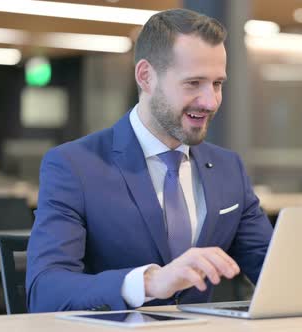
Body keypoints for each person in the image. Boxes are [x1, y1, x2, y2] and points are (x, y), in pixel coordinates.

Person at [26, 8, 273, 312]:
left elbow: (274, 272)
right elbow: (45, 289)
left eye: (217, 83)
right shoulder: (74, 166)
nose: (210, 101)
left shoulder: (227, 168)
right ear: (146, 77)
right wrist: (148, 282)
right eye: (193, 83)